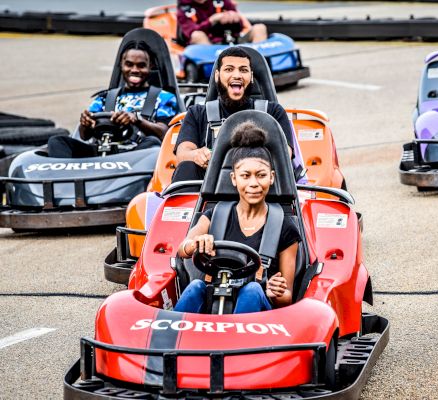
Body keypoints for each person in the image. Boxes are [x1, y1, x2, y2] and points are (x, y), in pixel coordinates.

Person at [174, 122, 300, 314]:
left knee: (252, 290)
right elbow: (182, 249)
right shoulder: (214, 215)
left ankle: (233, 341)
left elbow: (287, 298)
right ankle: (169, 340)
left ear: (272, 177)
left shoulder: (284, 226)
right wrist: (195, 244)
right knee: (195, 287)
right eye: (245, 175)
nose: (254, 183)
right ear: (234, 179)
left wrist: (277, 291)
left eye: (261, 175)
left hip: (259, 320)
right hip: (212, 309)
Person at [172, 46, 295, 183]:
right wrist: (197, 155)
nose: (237, 75)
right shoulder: (197, 113)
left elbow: (285, 155)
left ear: (251, 77)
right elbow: (183, 153)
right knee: (186, 167)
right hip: (209, 189)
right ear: (217, 76)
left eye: (243, 70)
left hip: (260, 185)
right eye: (229, 69)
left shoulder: (273, 112)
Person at [47, 41, 178, 158]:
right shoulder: (105, 97)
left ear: (151, 66)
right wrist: (85, 123)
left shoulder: (164, 97)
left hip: (137, 155)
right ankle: (68, 182)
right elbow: (84, 135)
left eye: (141, 65)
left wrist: (137, 120)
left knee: (153, 144)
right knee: (57, 141)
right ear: (121, 65)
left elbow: (165, 134)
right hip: (102, 152)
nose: (134, 70)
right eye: (129, 64)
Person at [177, 0, 267, 45]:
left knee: (260, 28)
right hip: (210, 46)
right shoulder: (184, 11)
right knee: (197, 35)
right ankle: (215, 69)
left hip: (232, 40)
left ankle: (259, 65)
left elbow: (242, 26)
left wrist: (234, 18)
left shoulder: (222, 2)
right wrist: (212, 20)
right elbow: (190, 33)